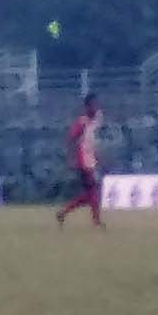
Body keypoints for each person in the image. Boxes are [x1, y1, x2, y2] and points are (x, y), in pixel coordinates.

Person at [56, 94, 104, 228]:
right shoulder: (82, 122)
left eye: (96, 104)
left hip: (91, 161)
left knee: (90, 194)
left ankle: (63, 212)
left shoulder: (95, 121)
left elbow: (93, 140)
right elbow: (71, 139)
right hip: (83, 162)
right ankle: (96, 221)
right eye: (93, 104)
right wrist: (71, 158)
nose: (95, 107)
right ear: (87, 106)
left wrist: (97, 156)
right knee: (93, 191)